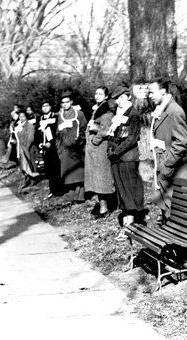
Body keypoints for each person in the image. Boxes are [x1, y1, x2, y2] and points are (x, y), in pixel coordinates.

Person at [147, 77, 187, 223]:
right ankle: (169, 235)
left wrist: (166, 165)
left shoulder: (174, 111)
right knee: (166, 207)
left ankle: (176, 240)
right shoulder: (161, 109)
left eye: (152, 92)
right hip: (164, 165)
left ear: (163, 91)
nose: (150, 96)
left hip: (173, 167)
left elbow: (180, 143)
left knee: (176, 207)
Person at [107, 85, 144, 239]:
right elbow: (114, 135)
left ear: (128, 97)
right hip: (117, 157)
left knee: (129, 189)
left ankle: (131, 226)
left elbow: (131, 138)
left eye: (122, 97)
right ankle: (128, 224)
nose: (119, 101)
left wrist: (116, 152)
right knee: (122, 190)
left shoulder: (133, 114)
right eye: (117, 99)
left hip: (127, 157)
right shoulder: (118, 113)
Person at [84, 86, 115, 218]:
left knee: (101, 180)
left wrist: (94, 142)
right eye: (96, 93)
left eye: (100, 94)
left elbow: (104, 130)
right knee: (97, 179)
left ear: (106, 96)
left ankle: (104, 209)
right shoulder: (97, 109)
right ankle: (102, 207)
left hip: (100, 148)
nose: (97, 96)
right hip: (94, 149)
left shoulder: (106, 111)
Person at [56, 90, 87, 203]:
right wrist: (59, 148)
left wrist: (79, 143)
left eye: (67, 102)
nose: (65, 104)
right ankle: (71, 195)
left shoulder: (79, 114)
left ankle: (80, 196)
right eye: (63, 103)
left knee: (78, 173)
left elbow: (84, 130)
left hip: (77, 148)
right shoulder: (60, 116)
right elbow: (57, 134)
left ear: (71, 102)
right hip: (65, 149)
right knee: (68, 173)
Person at [38, 100, 63, 198]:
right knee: (48, 169)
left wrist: (51, 143)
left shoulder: (55, 117)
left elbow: (58, 132)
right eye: (43, 106)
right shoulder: (40, 118)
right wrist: (40, 143)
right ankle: (52, 190)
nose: (45, 108)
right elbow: (38, 133)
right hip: (45, 148)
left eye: (47, 105)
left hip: (54, 147)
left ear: (51, 107)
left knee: (56, 168)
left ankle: (59, 190)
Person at [15, 111, 40, 188]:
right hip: (20, 148)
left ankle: (34, 179)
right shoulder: (19, 126)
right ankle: (27, 179)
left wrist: (26, 146)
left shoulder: (29, 125)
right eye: (20, 117)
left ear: (26, 117)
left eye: (23, 116)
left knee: (30, 162)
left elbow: (31, 138)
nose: (21, 118)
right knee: (23, 163)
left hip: (28, 147)